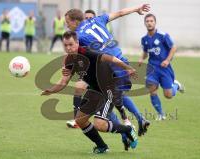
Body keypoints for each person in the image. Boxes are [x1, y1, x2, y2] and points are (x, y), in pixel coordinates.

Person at [41, 31, 138, 154]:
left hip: (109, 88)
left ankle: (127, 130)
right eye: (65, 45)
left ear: (77, 43)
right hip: (94, 90)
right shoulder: (69, 60)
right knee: (80, 120)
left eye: (71, 44)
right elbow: (64, 81)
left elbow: (110, 58)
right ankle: (102, 146)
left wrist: (127, 68)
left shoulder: (87, 53)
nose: (68, 48)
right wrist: (51, 90)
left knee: (100, 124)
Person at [64, 4, 151, 137]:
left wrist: (66, 68)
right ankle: (134, 122)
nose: (66, 25)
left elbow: (73, 52)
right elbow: (121, 12)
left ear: (75, 21)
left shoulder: (78, 36)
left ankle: (126, 129)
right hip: (121, 61)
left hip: (109, 69)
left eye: (68, 22)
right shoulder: (98, 19)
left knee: (103, 100)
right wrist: (137, 8)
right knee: (113, 98)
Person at [139, 14, 185, 120]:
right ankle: (161, 114)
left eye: (151, 21)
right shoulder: (144, 39)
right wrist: (141, 59)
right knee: (152, 89)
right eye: (147, 21)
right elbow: (145, 52)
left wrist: (167, 60)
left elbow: (173, 47)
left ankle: (176, 86)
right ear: (145, 23)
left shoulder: (163, 35)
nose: (149, 23)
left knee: (168, 95)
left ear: (155, 23)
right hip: (152, 68)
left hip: (164, 68)